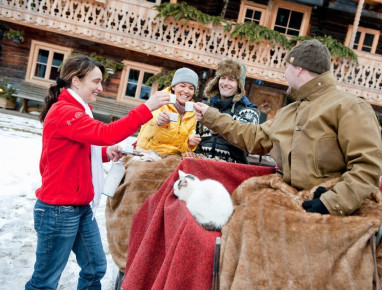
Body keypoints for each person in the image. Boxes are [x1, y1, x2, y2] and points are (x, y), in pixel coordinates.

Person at [194, 39, 382, 216]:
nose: (284, 73)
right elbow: (253, 137)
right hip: (288, 199)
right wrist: (211, 116)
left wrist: (331, 203)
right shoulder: (290, 112)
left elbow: (368, 166)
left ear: (299, 70)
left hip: (329, 206)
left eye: (286, 67)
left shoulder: (349, 106)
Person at [25, 55, 169, 290]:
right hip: (58, 209)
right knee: (44, 282)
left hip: (80, 206)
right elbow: (106, 133)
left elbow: (81, 150)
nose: (100, 88)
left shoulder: (78, 110)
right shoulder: (65, 112)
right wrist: (146, 108)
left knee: (95, 269)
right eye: (96, 81)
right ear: (76, 81)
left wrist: (106, 152)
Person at [195, 58, 259, 163]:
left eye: (231, 79)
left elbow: (246, 143)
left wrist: (219, 131)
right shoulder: (206, 107)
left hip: (231, 171)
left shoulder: (248, 111)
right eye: (222, 78)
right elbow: (197, 141)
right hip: (202, 168)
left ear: (239, 85)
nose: (225, 83)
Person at [136, 67, 201, 155]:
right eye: (182, 86)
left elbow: (182, 147)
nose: (186, 91)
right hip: (149, 152)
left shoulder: (192, 113)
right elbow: (150, 121)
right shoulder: (160, 100)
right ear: (173, 87)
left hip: (172, 157)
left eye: (191, 88)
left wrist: (190, 143)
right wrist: (159, 122)